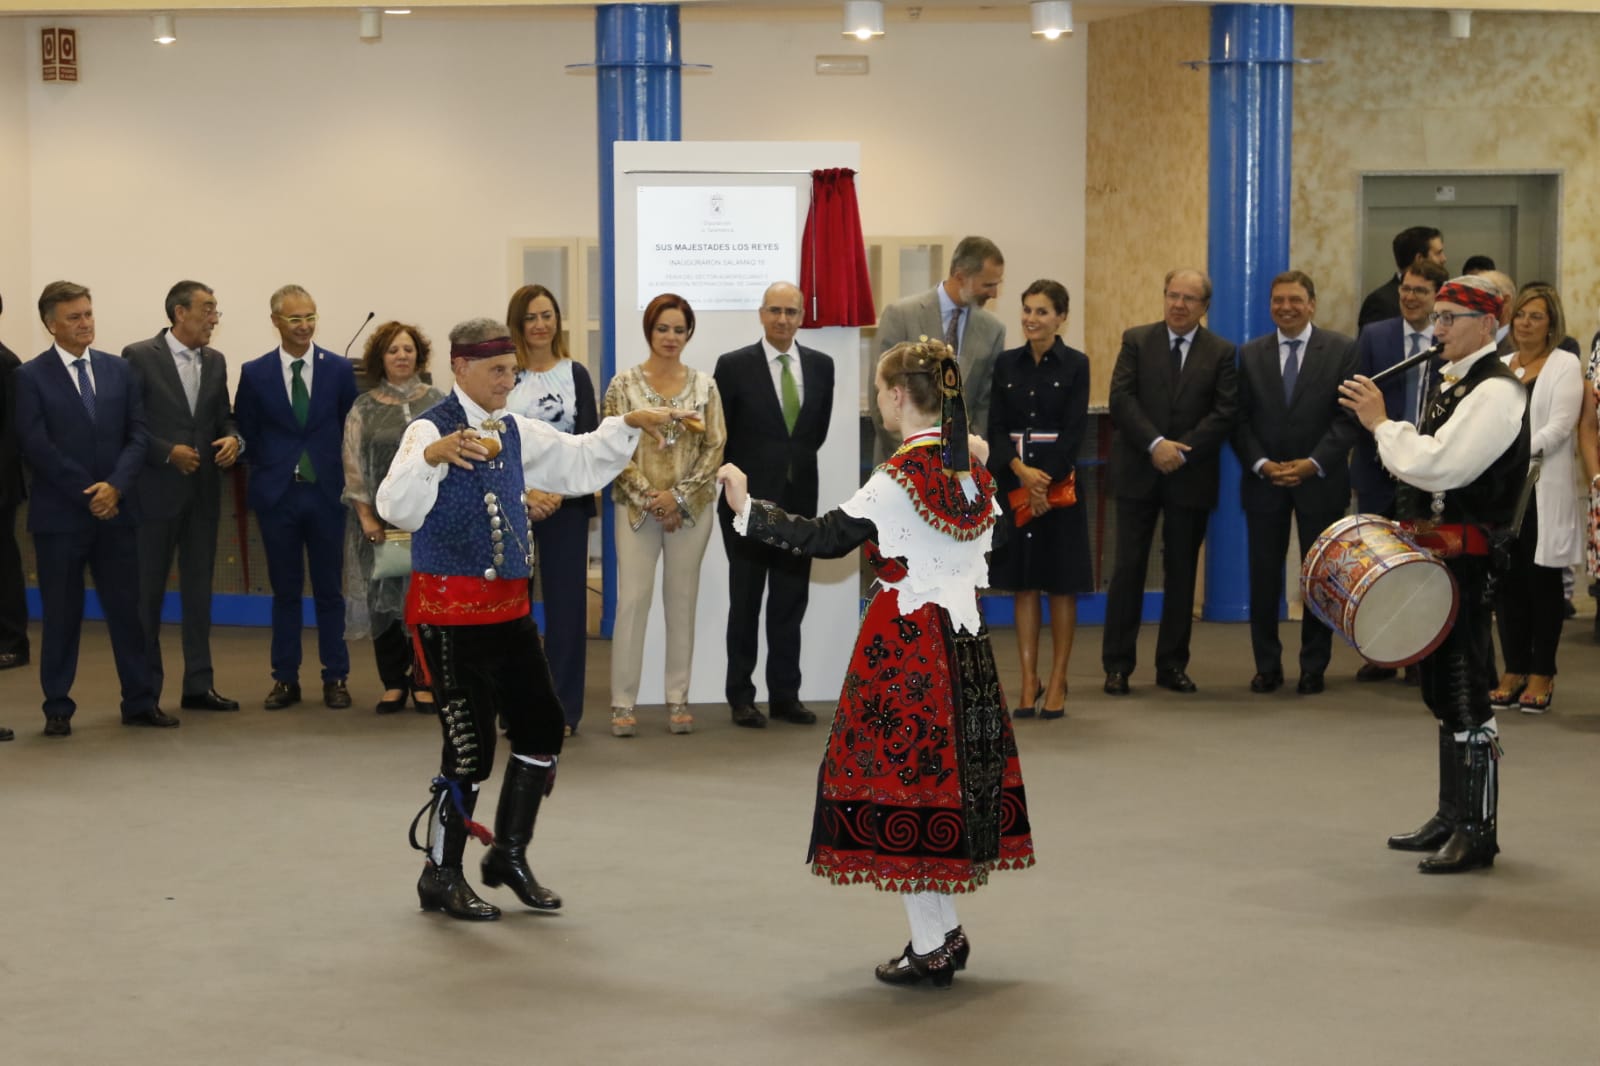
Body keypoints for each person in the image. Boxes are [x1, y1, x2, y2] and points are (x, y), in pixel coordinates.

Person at [716, 339, 1035, 989]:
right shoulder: (970, 471)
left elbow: (825, 538)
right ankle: (941, 934)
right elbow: (991, 538)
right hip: (966, 645)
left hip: (908, 645)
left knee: (905, 790)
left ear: (895, 396)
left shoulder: (900, 478)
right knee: (938, 787)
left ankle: (933, 944)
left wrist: (745, 507)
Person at [376, 316, 684, 921]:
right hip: (449, 620)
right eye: (497, 370)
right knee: (470, 753)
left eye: (512, 370)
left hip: (509, 616)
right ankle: (439, 875)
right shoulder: (426, 429)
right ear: (461, 368)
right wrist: (433, 458)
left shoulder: (514, 429)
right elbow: (396, 507)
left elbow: (576, 460)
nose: (507, 380)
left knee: (542, 729)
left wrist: (627, 425)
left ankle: (506, 856)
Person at [1339, 274, 1528, 875]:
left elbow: (1440, 465)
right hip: (1439, 560)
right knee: (1442, 688)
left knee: (1468, 689)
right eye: (1437, 317)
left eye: (1449, 318)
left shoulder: (1497, 392)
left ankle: (1479, 831)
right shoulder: (1455, 380)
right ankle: (1452, 815)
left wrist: (1379, 424)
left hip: (1468, 564)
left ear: (1486, 326)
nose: (1437, 328)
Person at [14, 281, 173, 736]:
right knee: (62, 614)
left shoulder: (119, 370)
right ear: (50, 324)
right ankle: (58, 706)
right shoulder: (29, 376)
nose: (85, 323)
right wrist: (91, 492)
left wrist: (115, 488)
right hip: (61, 517)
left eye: (88, 314)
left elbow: (138, 435)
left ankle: (140, 701)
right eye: (74, 317)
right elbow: (35, 445)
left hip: (118, 513)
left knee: (129, 612)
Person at [1101, 268, 1239, 696]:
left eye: (1189, 299)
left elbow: (1225, 411)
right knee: (1128, 570)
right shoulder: (1137, 340)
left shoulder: (1221, 352)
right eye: (1172, 295)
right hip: (1139, 470)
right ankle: (1118, 665)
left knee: (1181, 572)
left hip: (1190, 475)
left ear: (1204, 307)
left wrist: (1180, 450)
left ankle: (1171, 664)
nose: (1179, 304)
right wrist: (1156, 444)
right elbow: (1121, 399)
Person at [603, 293, 727, 738]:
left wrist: (677, 497)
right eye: (662, 328)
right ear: (649, 331)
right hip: (636, 507)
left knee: (681, 602)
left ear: (688, 333)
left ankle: (678, 699)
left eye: (678, 329)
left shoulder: (705, 386)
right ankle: (622, 703)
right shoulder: (622, 385)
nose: (670, 337)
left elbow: (714, 447)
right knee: (633, 602)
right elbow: (612, 448)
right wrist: (652, 497)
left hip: (691, 511)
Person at [713, 281, 835, 729]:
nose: (783, 319)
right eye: (775, 311)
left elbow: (813, 435)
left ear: (802, 316)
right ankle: (741, 697)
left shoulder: (822, 366)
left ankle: (786, 695)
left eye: (792, 312)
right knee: (744, 601)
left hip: (799, 505)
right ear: (761, 315)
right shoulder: (733, 365)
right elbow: (720, 434)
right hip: (744, 504)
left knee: (790, 601)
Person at [1233, 271, 1359, 696]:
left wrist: (1313, 462)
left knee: (1318, 579)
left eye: (1294, 300)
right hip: (1264, 482)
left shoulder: (1342, 350)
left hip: (1319, 481)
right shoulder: (1250, 354)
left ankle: (1313, 666)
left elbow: (1349, 419)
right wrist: (1262, 463)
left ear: (1312, 305)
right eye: (1277, 300)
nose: (1285, 307)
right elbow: (1240, 419)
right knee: (1263, 577)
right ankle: (1266, 666)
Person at [234, 285, 358, 711]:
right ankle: (284, 679)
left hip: (326, 495)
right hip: (278, 496)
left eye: (310, 317)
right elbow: (246, 431)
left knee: (329, 591)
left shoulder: (340, 370)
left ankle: (335, 676)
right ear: (276, 322)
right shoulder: (254, 372)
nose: (304, 326)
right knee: (284, 592)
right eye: (294, 319)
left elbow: (349, 429)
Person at [123, 281, 242, 713]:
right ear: (179, 312)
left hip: (203, 496)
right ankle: (144, 694)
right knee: (147, 599)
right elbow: (129, 423)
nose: (214, 318)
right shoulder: (138, 357)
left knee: (198, 595)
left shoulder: (216, 361)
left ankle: (198, 685)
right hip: (152, 495)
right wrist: (165, 452)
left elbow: (223, 419)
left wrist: (233, 440)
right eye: (207, 309)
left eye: (215, 310)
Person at [986, 279, 1091, 719]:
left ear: (1061, 316)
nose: (1032, 319)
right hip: (1015, 485)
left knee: (1061, 586)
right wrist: (1021, 474)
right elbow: (994, 428)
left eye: (1042, 311)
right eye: (1027, 310)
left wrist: (1043, 483)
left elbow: (1073, 431)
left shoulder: (1076, 365)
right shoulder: (1005, 364)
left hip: (1058, 489)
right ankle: (1028, 679)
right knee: (1023, 585)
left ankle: (1059, 677)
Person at [503, 285, 598, 736]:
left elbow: (586, 440)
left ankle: (563, 709)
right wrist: (525, 493)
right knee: (509, 611)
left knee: (566, 613)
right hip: (511, 504)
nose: (541, 325)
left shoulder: (575, 373)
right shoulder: (505, 375)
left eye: (548, 315)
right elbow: (492, 441)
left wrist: (556, 492)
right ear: (518, 325)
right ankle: (516, 706)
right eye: (531, 318)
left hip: (565, 505)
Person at [1349, 259, 1448, 685]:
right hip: (1376, 470)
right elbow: (1355, 396)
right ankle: (1383, 653)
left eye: (1420, 291)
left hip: (1430, 471)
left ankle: (1423, 655)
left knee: (1424, 563)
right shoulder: (1376, 335)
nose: (1409, 297)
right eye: (1405, 289)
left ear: (1437, 298)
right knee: (1381, 564)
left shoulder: (1448, 341)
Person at [342, 322, 443, 715]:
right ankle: (392, 682)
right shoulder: (363, 408)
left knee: (425, 601)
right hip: (378, 524)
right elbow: (352, 465)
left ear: (419, 354)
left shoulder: (437, 401)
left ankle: (424, 681)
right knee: (384, 601)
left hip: (429, 521)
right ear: (379, 359)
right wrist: (366, 516)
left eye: (408, 349)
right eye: (393, 350)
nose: (402, 356)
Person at [1491, 284, 1581, 714]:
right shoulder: (1501, 364)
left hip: (1542, 490)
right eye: (1521, 314)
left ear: (1552, 325)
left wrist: (1509, 452)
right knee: (1506, 583)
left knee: (1541, 583)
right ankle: (1514, 668)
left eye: (1536, 316)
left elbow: (1560, 427)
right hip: (1503, 492)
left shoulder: (1564, 364)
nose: (1525, 323)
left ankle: (1542, 671)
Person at [874, 236, 1006, 459]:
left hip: (959, 468)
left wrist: (964, 456)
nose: (993, 293)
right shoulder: (901, 315)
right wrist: (921, 455)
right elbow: (882, 392)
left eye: (996, 285)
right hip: (901, 462)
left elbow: (984, 408)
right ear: (960, 277)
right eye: (988, 285)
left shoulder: (993, 330)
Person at [0, 290, 28, 690]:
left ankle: (12, 642)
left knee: (2, 565)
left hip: (0, 485)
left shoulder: (7, 364)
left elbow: (12, 434)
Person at [1358, 226, 1446, 331]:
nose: (1444, 259)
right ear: (1419, 259)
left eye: (1420, 291)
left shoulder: (1446, 296)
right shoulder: (1380, 302)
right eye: (1438, 253)